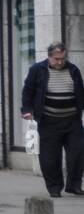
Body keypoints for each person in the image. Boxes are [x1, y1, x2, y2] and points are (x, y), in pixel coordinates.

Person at [20, 41, 84, 198]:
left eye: (62, 58)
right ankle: (54, 187)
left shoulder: (73, 70)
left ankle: (74, 185)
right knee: (50, 158)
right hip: (49, 121)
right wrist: (27, 110)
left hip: (72, 120)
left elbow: (80, 91)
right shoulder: (38, 70)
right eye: (56, 59)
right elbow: (27, 91)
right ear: (49, 57)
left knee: (78, 153)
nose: (60, 62)